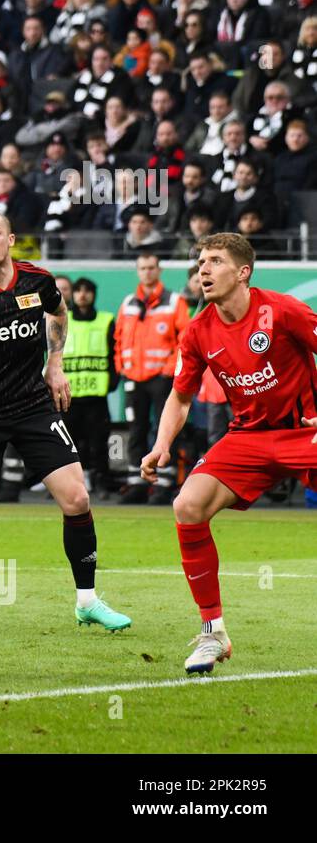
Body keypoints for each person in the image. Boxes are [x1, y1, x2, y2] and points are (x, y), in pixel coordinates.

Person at [0, 212, 131, 635]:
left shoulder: (37, 281)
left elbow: (59, 312)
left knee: (78, 500)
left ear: (11, 239)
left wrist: (55, 363)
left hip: (33, 408)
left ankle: (86, 600)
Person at [140, 234, 317, 674]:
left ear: (243, 272)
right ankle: (212, 632)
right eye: (200, 261)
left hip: (304, 431)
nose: (203, 269)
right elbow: (180, 398)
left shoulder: (282, 310)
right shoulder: (198, 330)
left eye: (215, 261)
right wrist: (162, 445)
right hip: (249, 438)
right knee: (187, 505)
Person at [115, 252, 190, 504]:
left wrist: (170, 367)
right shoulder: (128, 303)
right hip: (133, 377)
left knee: (165, 429)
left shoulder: (174, 301)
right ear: (138, 271)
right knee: (136, 429)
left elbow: (185, 340)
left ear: (159, 271)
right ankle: (137, 483)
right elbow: (118, 338)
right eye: (143, 268)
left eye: (151, 267)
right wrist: (121, 365)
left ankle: (164, 483)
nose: (147, 272)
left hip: (162, 376)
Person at [62, 277, 117, 496]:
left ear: (93, 294)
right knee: (69, 445)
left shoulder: (105, 320)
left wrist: (113, 379)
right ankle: (69, 485)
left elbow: (115, 352)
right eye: (78, 290)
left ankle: (102, 481)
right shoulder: (62, 319)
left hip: (96, 395)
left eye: (87, 291)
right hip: (69, 396)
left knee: (99, 443)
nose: (82, 295)